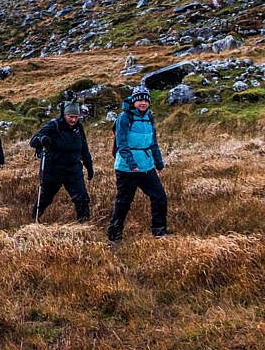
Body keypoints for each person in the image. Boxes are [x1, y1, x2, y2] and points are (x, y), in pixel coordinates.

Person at [107, 85, 168, 241]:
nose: (142, 103)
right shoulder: (124, 118)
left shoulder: (149, 117)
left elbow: (153, 142)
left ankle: (159, 232)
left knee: (159, 196)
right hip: (127, 168)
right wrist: (131, 163)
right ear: (134, 101)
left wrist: (158, 162)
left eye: (145, 100)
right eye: (139, 99)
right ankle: (114, 235)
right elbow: (122, 143)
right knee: (124, 201)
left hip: (146, 165)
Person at [29, 101, 93, 222]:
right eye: (71, 117)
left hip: (73, 169)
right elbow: (33, 141)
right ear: (64, 115)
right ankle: (34, 219)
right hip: (53, 169)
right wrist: (43, 139)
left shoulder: (79, 128)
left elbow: (84, 148)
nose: (74, 120)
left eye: (76, 117)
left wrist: (89, 166)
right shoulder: (54, 125)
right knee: (45, 198)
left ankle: (84, 225)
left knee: (82, 198)